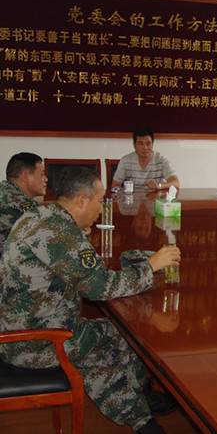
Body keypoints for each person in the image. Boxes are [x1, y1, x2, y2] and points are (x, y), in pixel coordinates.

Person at [0, 167, 181, 434]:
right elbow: (101, 286)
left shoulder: (41, 215)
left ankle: (141, 407)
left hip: (18, 329)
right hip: (34, 340)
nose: (101, 208)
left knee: (105, 343)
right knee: (125, 337)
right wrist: (151, 266)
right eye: (99, 201)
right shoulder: (60, 233)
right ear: (81, 200)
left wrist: (77, 236)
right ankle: (143, 419)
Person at [0, 152, 47, 258]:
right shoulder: (18, 202)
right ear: (25, 176)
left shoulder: (5, 191)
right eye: (42, 174)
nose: (46, 179)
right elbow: (48, 234)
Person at [111, 128, 180, 191]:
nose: (145, 147)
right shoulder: (125, 161)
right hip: (133, 199)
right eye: (141, 144)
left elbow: (176, 182)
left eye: (148, 143)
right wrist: (127, 193)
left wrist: (159, 185)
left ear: (152, 144)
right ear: (134, 145)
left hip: (155, 199)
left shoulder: (162, 160)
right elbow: (115, 185)